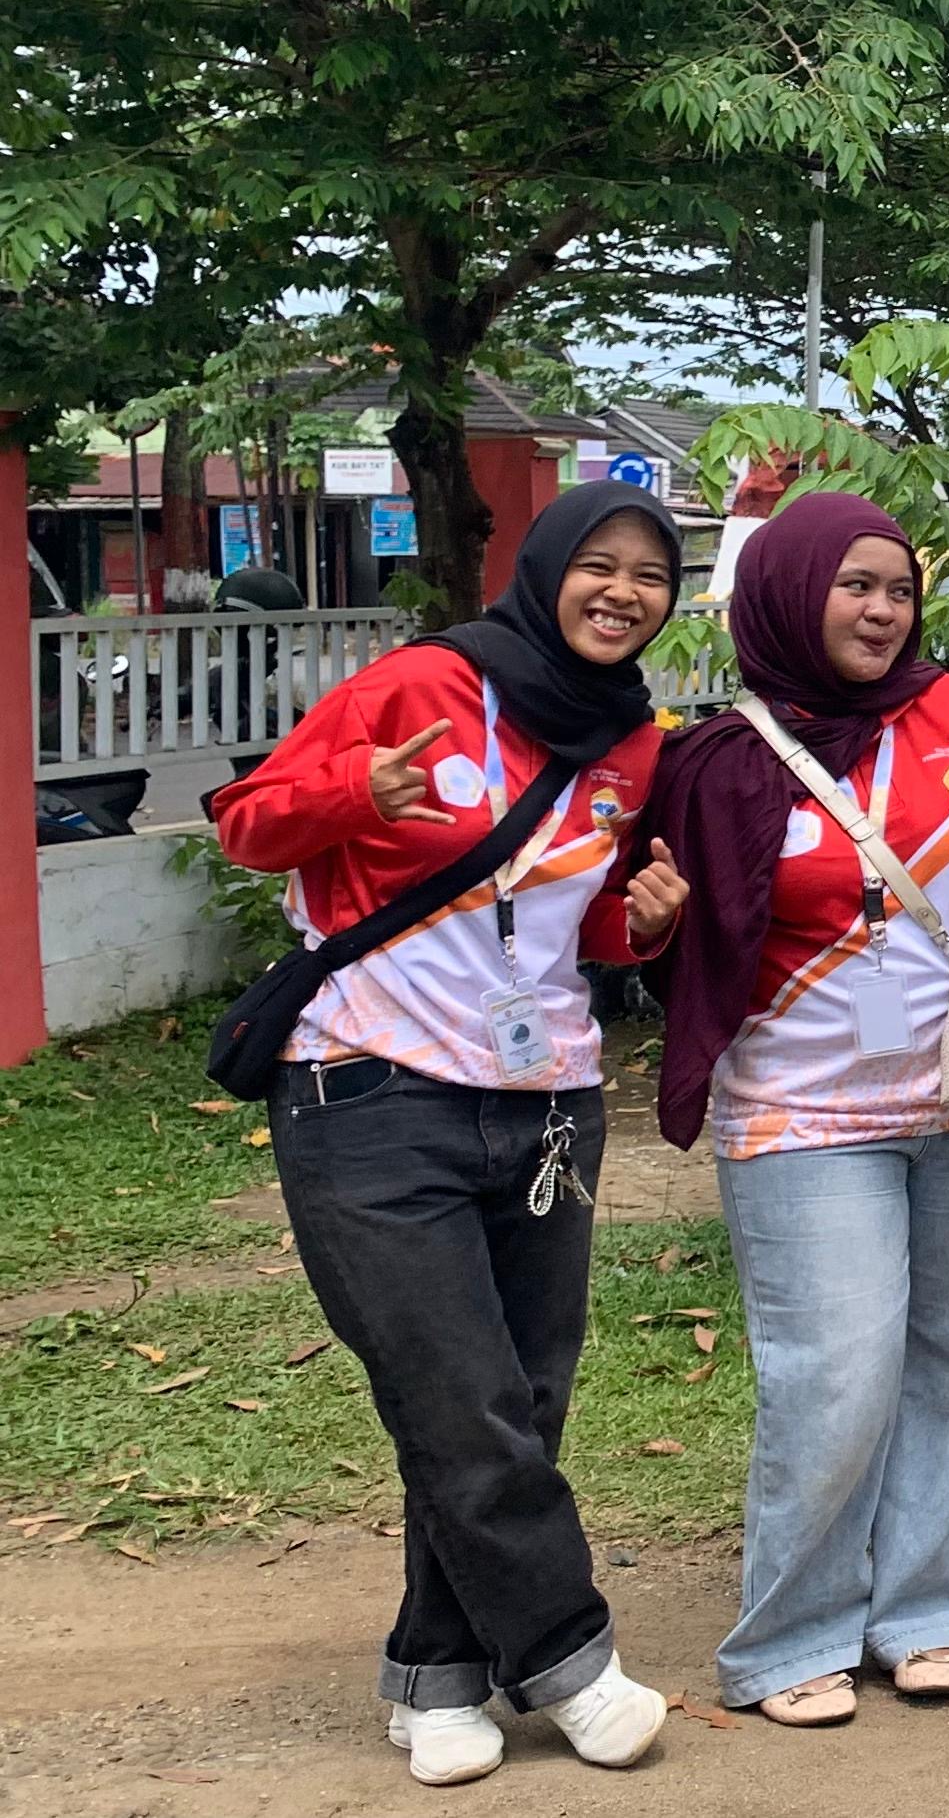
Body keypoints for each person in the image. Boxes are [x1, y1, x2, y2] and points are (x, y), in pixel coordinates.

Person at [212, 483, 691, 1788]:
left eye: (651, 577)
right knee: (457, 1394)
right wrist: (352, 791)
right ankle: (573, 1661)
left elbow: (573, 934)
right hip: (370, 1091)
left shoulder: (629, 744)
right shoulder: (419, 684)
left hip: (547, 1105)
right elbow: (252, 824)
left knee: (518, 1402)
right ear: (542, 570)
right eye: (598, 566)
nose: (623, 594)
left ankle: (437, 1680)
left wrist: (640, 923)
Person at [645, 492, 949, 1726]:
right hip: (804, 1111)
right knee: (837, 1375)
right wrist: (647, 930)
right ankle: (793, 1635)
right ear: (788, 590)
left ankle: (926, 1607)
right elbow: (663, 931)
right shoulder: (718, 758)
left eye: (897, 590)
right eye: (853, 585)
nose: (881, 610)